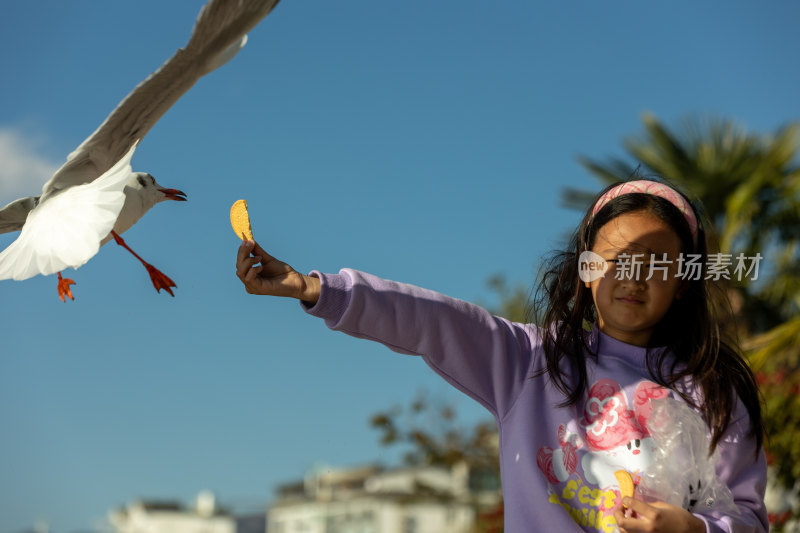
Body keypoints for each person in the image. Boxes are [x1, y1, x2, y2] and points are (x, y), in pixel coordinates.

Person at [235, 179, 767, 533]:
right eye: (614, 260)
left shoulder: (716, 393)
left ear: (683, 283)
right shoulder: (533, 362)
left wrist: (690, 528)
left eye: (654, 263)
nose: (631, 277)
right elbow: (432, 321)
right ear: (583, 272)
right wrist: (315, 289)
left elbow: (747, 518)